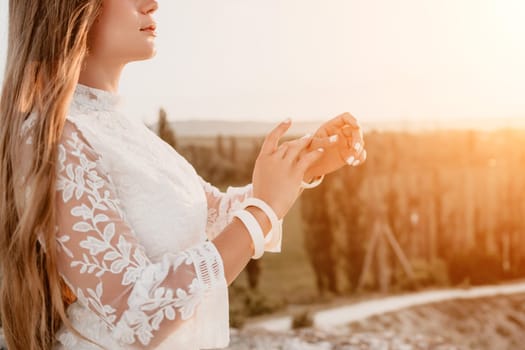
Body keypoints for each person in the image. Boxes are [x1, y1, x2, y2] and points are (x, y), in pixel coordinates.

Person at [0, 0, 367, 349]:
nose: (152, 3)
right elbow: (136, 311)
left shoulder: (121, 127)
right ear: (73, 8)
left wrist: (304, 165)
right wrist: (263, 210)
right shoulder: (53, 137)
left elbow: (210, 218)